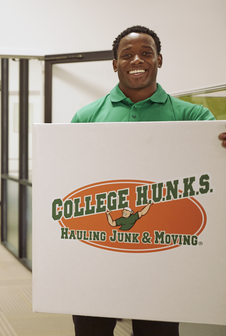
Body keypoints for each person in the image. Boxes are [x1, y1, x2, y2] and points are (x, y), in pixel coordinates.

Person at [71, 25, 223, 336]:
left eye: (146, 53)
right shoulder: (86, 117)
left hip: (165, 253)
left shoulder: (192, 118)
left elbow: (212, 170)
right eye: (126, 55)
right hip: (99, 254)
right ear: (115, 64)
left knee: (158, 331)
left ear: (159, 60)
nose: (136, 60)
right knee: (91, 330)